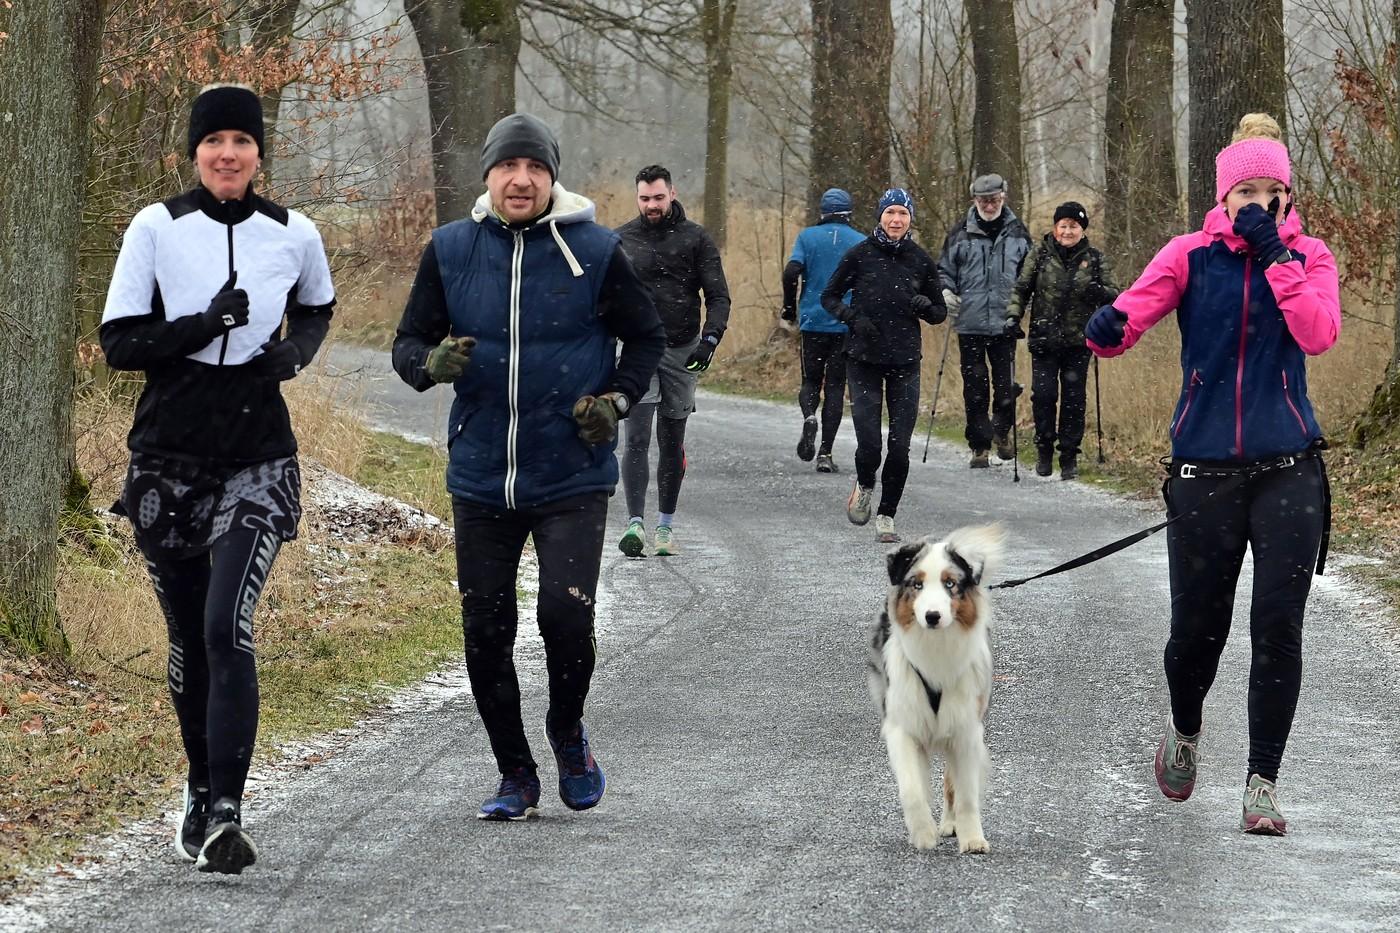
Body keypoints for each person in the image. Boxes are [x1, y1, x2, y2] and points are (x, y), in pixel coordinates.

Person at [391, 113, 664, 821]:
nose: (521, 179)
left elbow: (646, 338)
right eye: (509, 167)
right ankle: (515, 772)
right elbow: (407, 343)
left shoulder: (596, 251)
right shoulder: (451, 249)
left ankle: (567, 733)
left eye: (535, 168)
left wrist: (617, 399)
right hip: (482, 475)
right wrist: (431, 364)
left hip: (571, 470)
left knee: (563, 619)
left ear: (551, 177)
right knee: (485, 628)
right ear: (488, 176)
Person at [100, 84, 336, 873]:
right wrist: (208, 322)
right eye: (214, 142)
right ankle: (199, 790)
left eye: (241, 140)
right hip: (168, 457)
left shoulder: (293, 232)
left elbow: (317, 309)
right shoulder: (155, 228)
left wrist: (292, 354)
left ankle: (231, 810)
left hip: (258, 457)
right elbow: (120, 343)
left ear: (260, 153)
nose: (227, 154)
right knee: (187, 640)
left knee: (224, 627)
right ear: (193, 153)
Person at [1085, 113, 1339, 836]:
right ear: (1223, 195)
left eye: (1272, 191)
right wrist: (1107, 328)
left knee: (1277, 626)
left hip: (1288, 468)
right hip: (1203, 472)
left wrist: (1277, 259)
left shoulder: (1310, 257)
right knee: (1195, 630)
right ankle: (1186, 728)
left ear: (1288, 196)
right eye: (1245, 191)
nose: (1259, 203)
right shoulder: (1189, 255)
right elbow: (1132, 314)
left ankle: (1262, 781)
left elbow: (1319, 332)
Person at [614, 165, 731, 557]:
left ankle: (664, 526)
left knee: (671, 439)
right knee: (636, 438)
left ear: (673, 194)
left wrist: (709, 341)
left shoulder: (695, 238)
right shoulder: (621, 240)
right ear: (637, 197)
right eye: (645, 198)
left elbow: (718, 296)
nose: (652, 205)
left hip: (683, 348)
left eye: (658, 198)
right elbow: (604, 299)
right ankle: (636, 524)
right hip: (636, 350)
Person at [820, 188, 947, 544]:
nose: (896, 220)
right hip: (863, 360)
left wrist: (925, 306)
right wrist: (851, 317)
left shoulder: (920, 260)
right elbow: (828, 296)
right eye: (890, 212)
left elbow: (940, 313)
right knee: (871, 444)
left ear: (910, 220)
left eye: (903, 214)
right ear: (880, 216)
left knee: (900, 445)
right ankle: (864, 483)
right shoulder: (859, 255)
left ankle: (887, 514)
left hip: (906, 361)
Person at [1005, 201, 1119, 479]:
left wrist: (1099, 292)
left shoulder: (1094, 258)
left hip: (1080, 340)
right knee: (1043, 395)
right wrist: (1012, 317)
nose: (1068, 231)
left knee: (1074, 399)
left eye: (1074, 226)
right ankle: (1044, 448)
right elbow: (1022, 288)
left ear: (1082, 230)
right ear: (1055, 228)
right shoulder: (1040, 254)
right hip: (1044, 338)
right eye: (1063, 226)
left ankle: (1069, 455)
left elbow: (1116, 293)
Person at [938, 173, 1032, 468]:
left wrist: (1023, 304)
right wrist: (945, 291)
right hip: (970, 322)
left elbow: (1029, 274)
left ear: (1003, 197)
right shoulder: (959, 233)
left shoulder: (1018, 233)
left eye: (994, 199)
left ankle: (1001, 431)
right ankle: (979, 446)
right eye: (983, 200)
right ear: (974, 200)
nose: (989, 205)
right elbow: (944, 270)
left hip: (1005, 323)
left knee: (1005, 387)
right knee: (975, 386)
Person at [782, 187, 866, 473]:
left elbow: (791, 271)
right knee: (834, 388)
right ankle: (826, 454)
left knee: (810, 380)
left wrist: (789, 307)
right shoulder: (860, 241)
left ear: (822, 211)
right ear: (848, 213)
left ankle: (809, 416)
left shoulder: (807, 237)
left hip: (813, 320)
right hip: (845, 323)